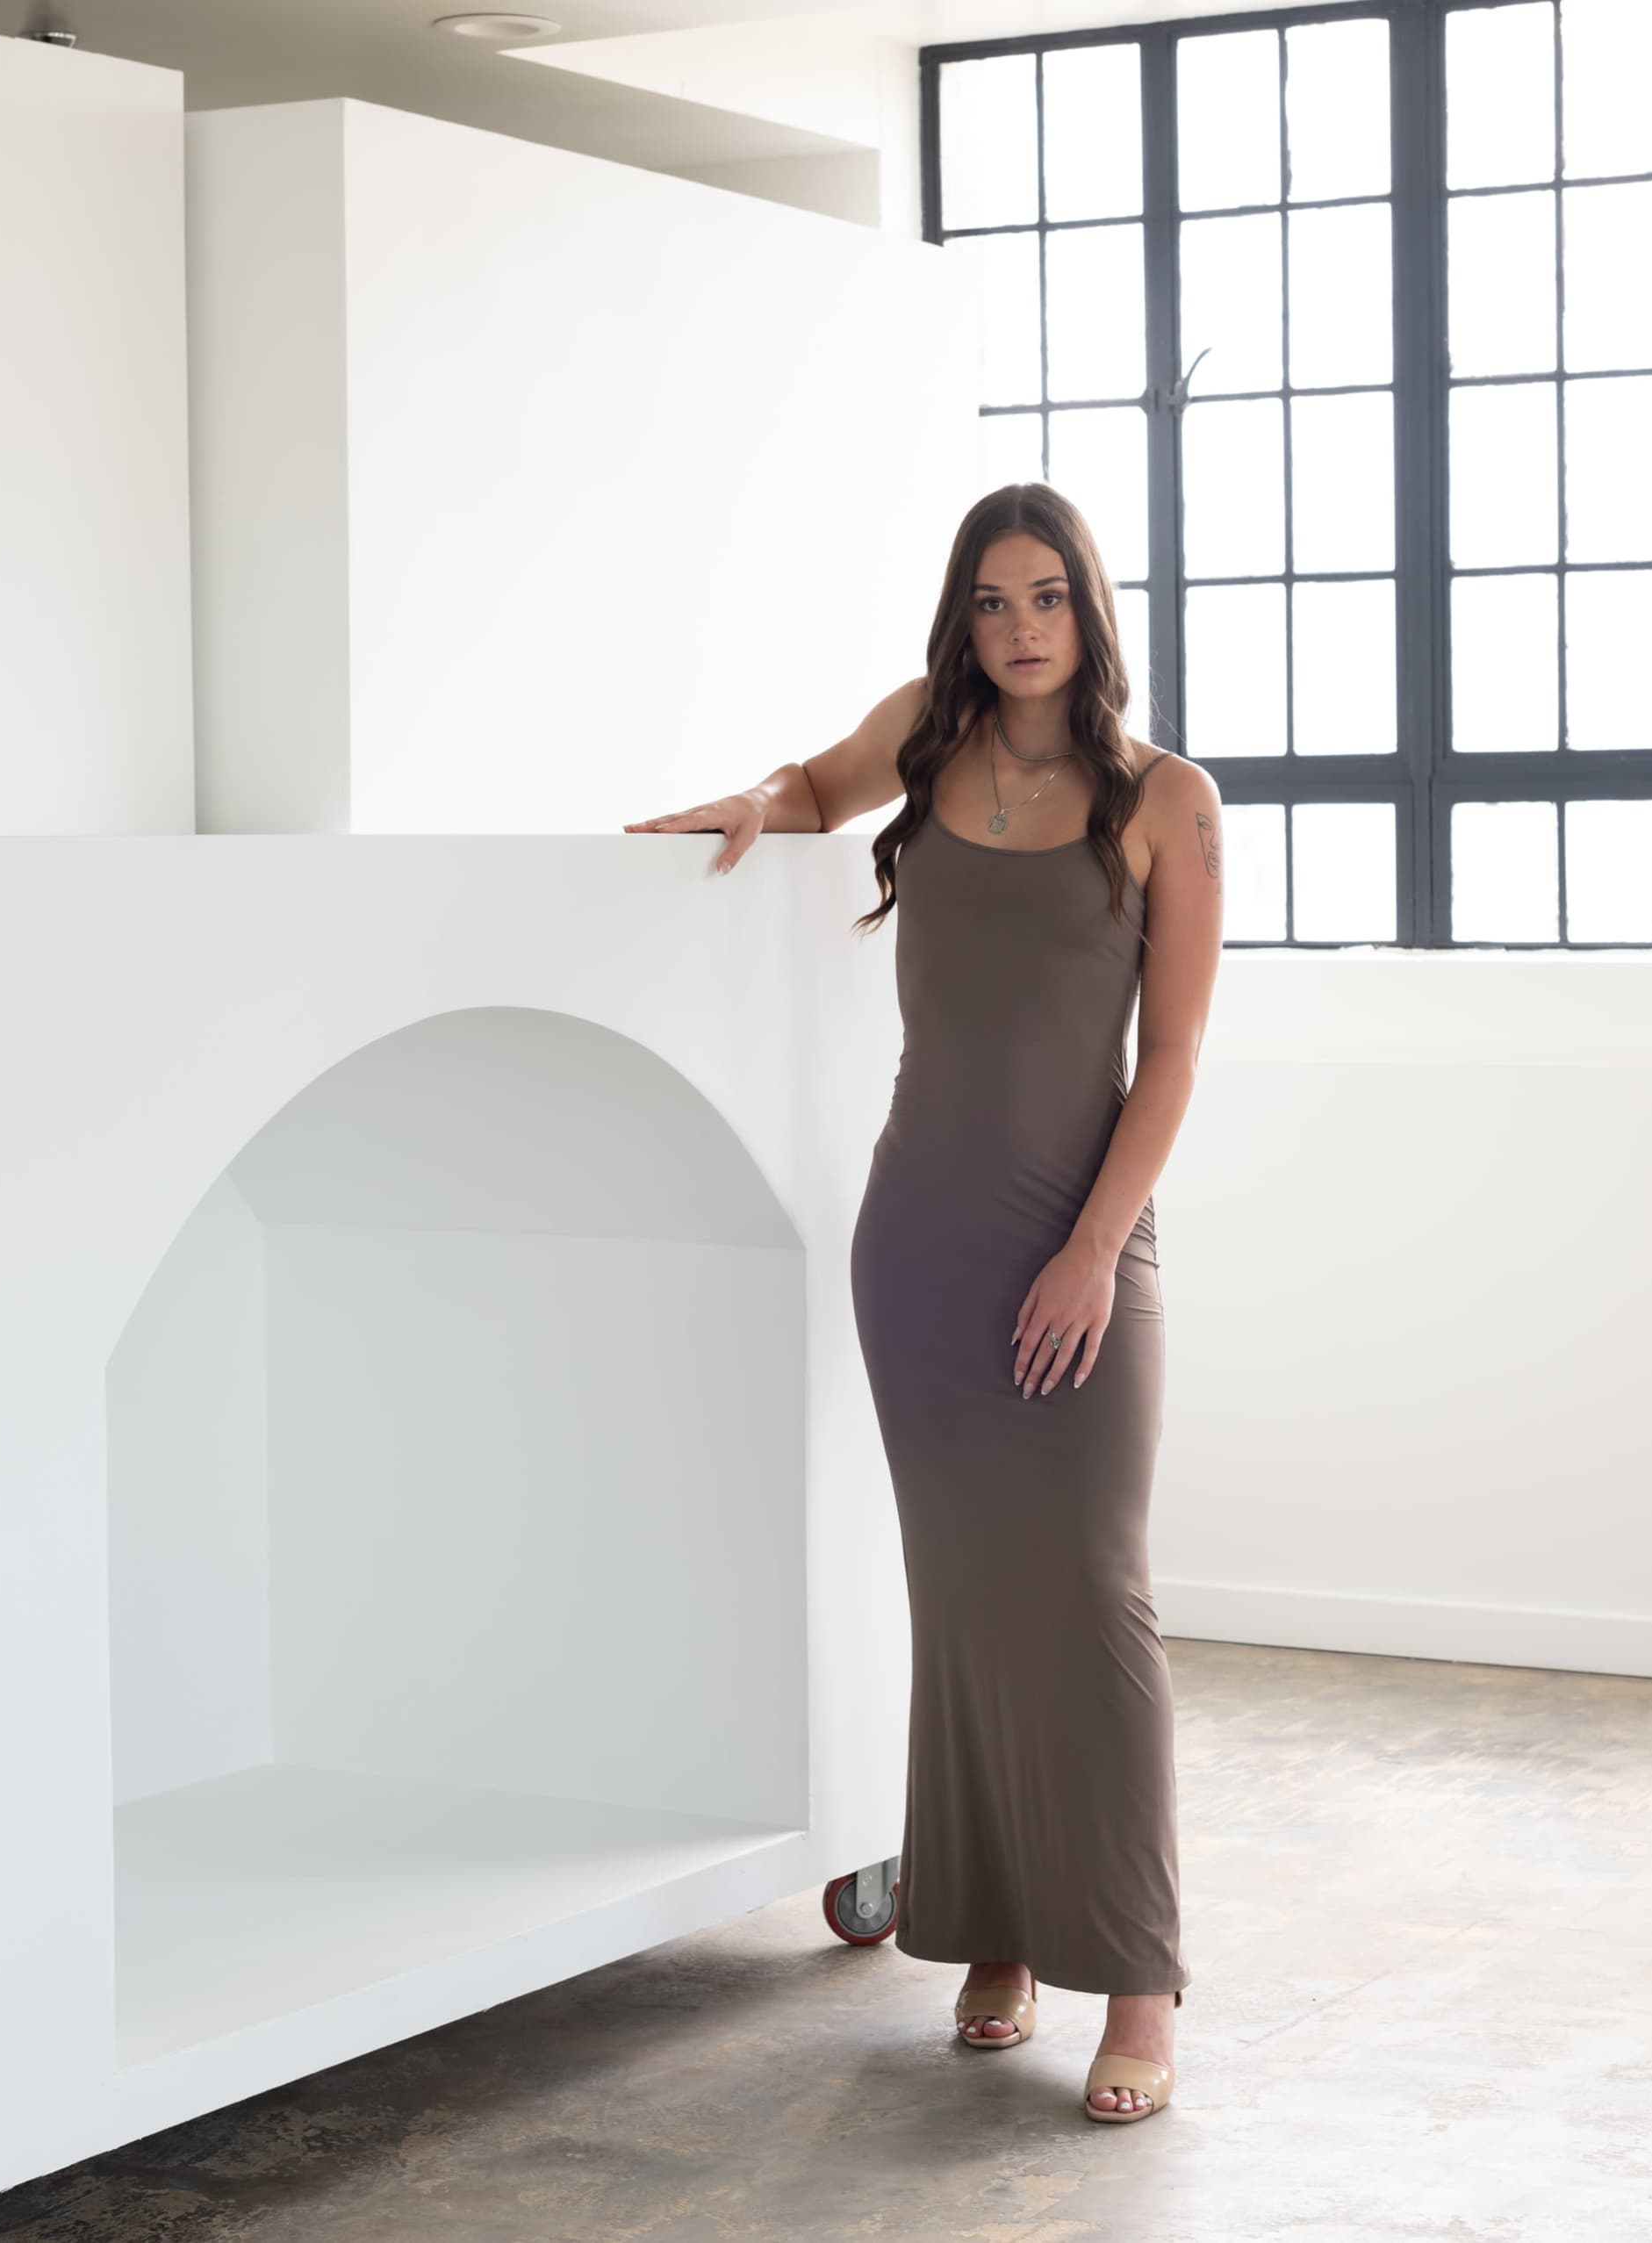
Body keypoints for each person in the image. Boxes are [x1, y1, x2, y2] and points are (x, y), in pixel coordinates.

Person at [626, 482, 1224, 2123]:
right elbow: (810, 788)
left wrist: (1097, 1246)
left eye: (1049, 599)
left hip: (1080, 1234)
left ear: (1091, 612)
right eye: (992, 602)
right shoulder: (923, 737)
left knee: (1091, 1602)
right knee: (963, 1599)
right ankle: (997, 1936)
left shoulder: (1167, 798)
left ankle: (1141, 1982)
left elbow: (1168, 1055)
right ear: (962, 619)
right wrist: (739, 803)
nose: (1021, 629)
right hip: (922, 1240)